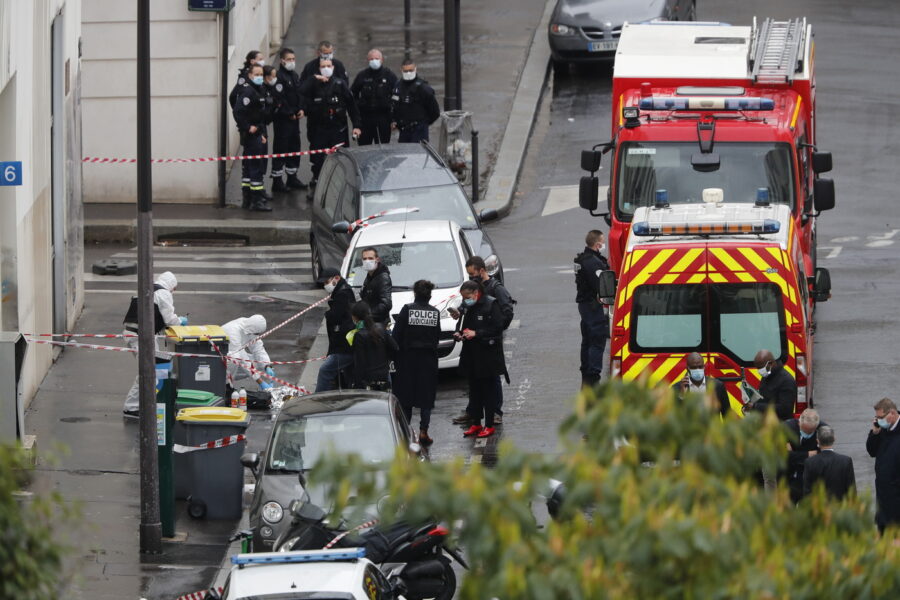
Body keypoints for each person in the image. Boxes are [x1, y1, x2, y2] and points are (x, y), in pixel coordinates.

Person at [451, 256, 515, 426]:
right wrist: (460, 314)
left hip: (488, 342)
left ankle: (495, 411)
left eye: (473, 274)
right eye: (469, 275)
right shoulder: (472, 290)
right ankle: (473, 411)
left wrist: (496, 331)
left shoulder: (496, 289)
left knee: (492, 378)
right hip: (474, 345)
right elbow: (467, 308)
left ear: (481, 270)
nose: (471, 277)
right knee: (475, 380)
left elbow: (507, 312)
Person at [122, 271, 186, 418]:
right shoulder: (163, 293)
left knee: (152, 370)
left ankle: (146, 403)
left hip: (134, 333)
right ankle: (131, 408)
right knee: (149, 371)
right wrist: (180, 321)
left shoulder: (146, 290)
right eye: (174, 288)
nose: (173, 292)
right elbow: (170, 319)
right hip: (141, 337)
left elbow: (154, 316)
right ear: (171, 285)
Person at [456, 280, 508, 439]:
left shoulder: (491, 305)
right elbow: (463, 324)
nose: (466, 300)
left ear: (476, 293)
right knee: (475, 392)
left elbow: (497, 328)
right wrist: (460, 333)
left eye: (468, 297)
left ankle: (489, 424)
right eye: (463, 298)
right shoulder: (468, 306)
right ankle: (476, 422)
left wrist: (477, 333)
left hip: (487, 356)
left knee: (488, 392)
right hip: (472, 355)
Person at [298, 58, 361, 186]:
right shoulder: (313, 84)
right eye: (323, 66)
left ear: (333, 67)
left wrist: (357, 126)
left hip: (337, 129)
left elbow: (352, 106)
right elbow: (300, 92)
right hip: (318, 129)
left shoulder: (340, 84)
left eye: (329, 66)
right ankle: (317, 181)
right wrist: (312, 80)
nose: (326, 68)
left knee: (341, 158)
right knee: (317, 159)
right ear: (319, 69)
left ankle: (340, 183)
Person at [392, 280, 441, 445]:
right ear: (430, 295)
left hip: (407, 360)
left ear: (415, 293)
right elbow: (436, 338)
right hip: (427, 361)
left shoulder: (407, 310)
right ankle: (423, 432)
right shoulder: (434, 313)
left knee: (406, 398)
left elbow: (396, 335)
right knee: (426, 398)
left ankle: (406, 434)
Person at [233, 63, 273, 212]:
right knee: (255, 167)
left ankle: (248, 198)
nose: (259, 77)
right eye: (256, 75)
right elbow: (238, 111)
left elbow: (261, 115)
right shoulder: (248, 92)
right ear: (250, 76)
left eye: (261, 75)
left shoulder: (260, 89)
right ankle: (256, 201)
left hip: (258, 132)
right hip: (251, 135)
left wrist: (262, 133)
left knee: (251, 168)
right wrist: (247, 127)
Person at [574, 230, 610, 388]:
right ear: (597, 244)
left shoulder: (582, 258)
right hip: (592, 305)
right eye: (602, 242)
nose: (604, 245)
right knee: (597, 340)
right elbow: (603, 286)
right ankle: (593, 378)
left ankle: (586, 376)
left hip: (585, 305)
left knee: (587, 340)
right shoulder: (593, 262)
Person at [269, 47, 307, 193]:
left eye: (293, 59)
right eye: (289, 59)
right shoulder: (279, 77)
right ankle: (277, 181)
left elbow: (300, 94)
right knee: (281, 148)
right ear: (282, 60)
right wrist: (289, 112)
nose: (292, 62)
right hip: (283, 120)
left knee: (294, 147)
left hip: (295, 119)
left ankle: (292, 177)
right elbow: (280, 99)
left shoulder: (294, 75)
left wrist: (301, 109)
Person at [315, 267, 356, 392]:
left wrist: (328, 314)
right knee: (349, 377)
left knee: (325, 371)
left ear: (336, 278)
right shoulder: (340, 292)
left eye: (327, 282)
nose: (325, 285)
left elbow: (336, 316)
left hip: (343, 346)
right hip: (346, 344)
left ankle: (318, 399)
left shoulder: (342, 294)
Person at [866, 397, 900, 533]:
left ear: (891, 413)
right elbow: (871, 451)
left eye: (880, 417)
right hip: (883, 496)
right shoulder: (882, 430)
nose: (877, 420)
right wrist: (874, 433)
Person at [351, 49, 398, 145]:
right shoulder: (362, 75)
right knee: (364, 148)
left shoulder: (389, 75)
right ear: (368, 60)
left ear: (382, 60)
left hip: (384, 118)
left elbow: (397, 96)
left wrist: (394, 118)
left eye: (377, 58)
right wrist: (357, 114)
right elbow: (352, 95)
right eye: (371, 59)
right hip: (365, 118)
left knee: (383, 149)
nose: (374, 61)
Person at [348, 301, 397, 391]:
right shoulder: (381, 328)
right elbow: (395, 348)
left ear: (355, 317)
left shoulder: (359, 335)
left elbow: (359, 363)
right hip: (384, 378)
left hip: (367, 382)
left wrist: (356, 384)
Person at [391, 59, 441, 143]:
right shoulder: (398, 86)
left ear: (415, 69)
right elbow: (394, 106)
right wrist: (394, 121)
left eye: (411, 70)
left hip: (419, 130)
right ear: (401, 70)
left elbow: (435, 112)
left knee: (419, 154)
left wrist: (424, 124)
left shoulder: (424, 88)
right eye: (405, 71)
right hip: (404, 130)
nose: (408, 73)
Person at [784, 408, 828, 503]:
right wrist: (808, 454)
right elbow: (785, 456)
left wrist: (795, 455)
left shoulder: (823, 430)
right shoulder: (787, 428)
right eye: (804, 431)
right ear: (799, 423)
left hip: (813, 474)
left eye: (810, 432)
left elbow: (824, 455)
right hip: (790, 473)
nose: (806, 434)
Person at [222, 314, 274, 392]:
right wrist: (260, 381)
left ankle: (230, 380)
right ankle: (226, 385)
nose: (257, 335)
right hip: (219, 358)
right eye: (256, 334)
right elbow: (243, 359)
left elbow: (258, 348)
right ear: (251, 330)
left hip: (235, 356)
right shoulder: (233, 330)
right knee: (235, 357)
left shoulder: (251, 327)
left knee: (257, 363)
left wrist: (267, 365)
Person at [803, 426, 856, 501]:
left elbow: (807, 491)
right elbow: (851, 489)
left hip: (819, 508)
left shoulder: (810, 462)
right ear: (834, 439)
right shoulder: (846, 461)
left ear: (818, 441)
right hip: (841, 508)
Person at [671, 352, 729, 417]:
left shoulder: (717, 386)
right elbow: (675, 416)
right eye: (694, 367)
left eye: (700, 367)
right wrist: (682, 396)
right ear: (688, 369)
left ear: (704, 367)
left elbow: (727, 415)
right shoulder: (677, 388)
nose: (697, 369)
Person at [750, 349, 796, 420]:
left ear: (771, 363)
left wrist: (756, 406)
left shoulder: (786, 381)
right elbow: (764, 396)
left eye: (761, 368)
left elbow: (785, 409)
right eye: (757, 368)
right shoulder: (767, 376)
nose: (759, 371)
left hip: (781, 425)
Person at [359, 247, 392, 326]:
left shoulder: (383, 278)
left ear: (377, 259)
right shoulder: (370, 276)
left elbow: (386, 304)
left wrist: (367, 314)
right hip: (370, 323)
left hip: (378, 325)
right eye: (365, 259)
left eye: (370, 258)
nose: (367, 261)